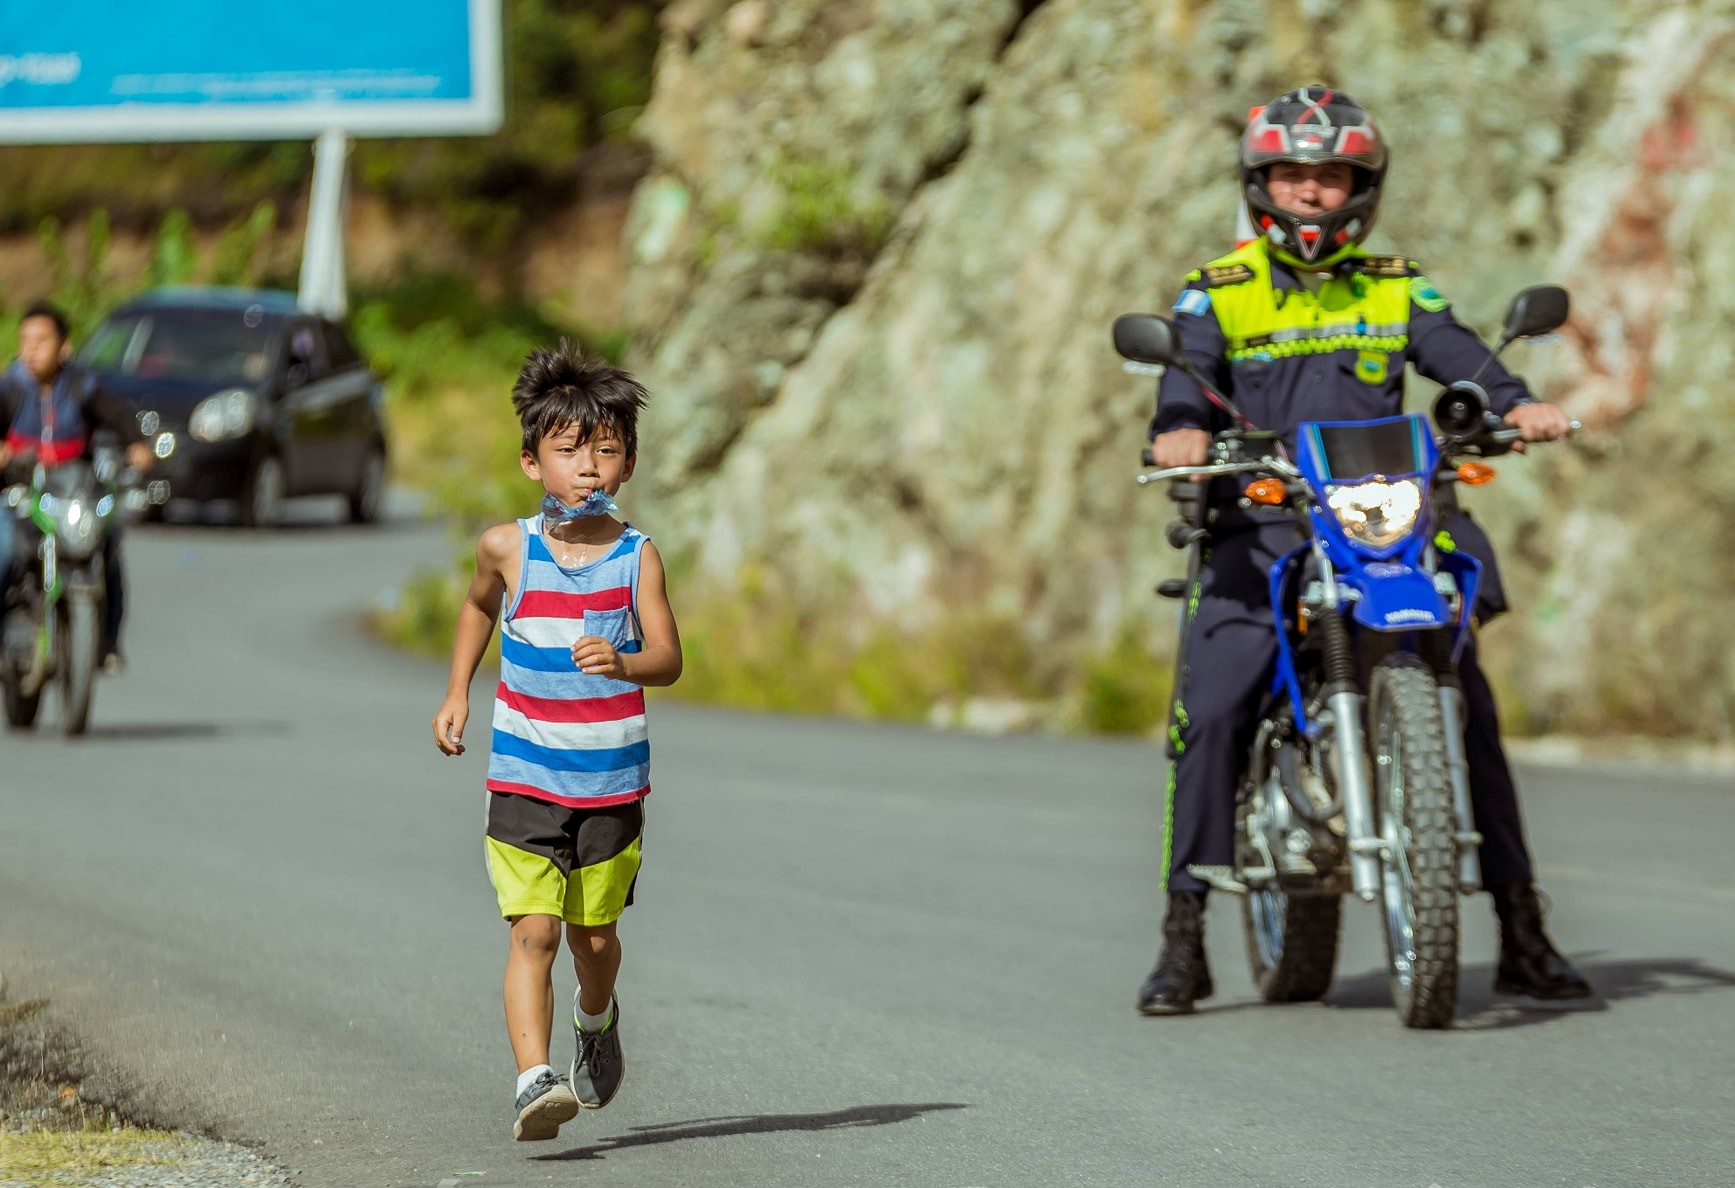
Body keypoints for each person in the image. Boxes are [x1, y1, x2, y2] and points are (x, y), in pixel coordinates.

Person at [1135, 86, 1593, 1015]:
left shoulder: (1394, 284)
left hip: (1384, 520)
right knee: (1214, 710)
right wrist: (1179, 434)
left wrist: (1512, 404)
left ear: (1360, 183)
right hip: (1260, 524)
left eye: (1328, 173)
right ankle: (1181, 938)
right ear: (1261, 183)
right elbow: (1181, 385)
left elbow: (1456, 351)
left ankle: (1520, 932)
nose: (1309, 192)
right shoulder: (1217, 291)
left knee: (1468, 710)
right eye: (1292, 174)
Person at [431, 342, 682, 1141]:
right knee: (533, 930)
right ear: (531, 461)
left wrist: (626, 658)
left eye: (605, 452)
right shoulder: (507, 548)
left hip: (609, 782)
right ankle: (533, 1080)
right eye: (569, 451)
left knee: (593, 939)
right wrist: (456, 692)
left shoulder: (637, 558)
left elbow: (670, 659)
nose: (587, 468)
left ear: (628, 464)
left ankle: (596, 1016)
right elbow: (476, 608)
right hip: (524, 773)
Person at [0, 301, 154, 671]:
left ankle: (108, 640)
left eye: (42, 340)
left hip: (72, 494)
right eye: (26, 340)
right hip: (19, 496)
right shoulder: (10, 389)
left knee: (110, 540)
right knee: (4, 551)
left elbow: (119, 417)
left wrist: (137, 447)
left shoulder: (83, 386)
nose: (32, 349)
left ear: (64, 347)